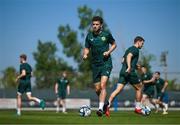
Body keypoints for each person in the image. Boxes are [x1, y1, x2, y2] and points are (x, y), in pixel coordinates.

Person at [83, 16, 117, 116]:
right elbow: (86, 48)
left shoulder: (106, 34)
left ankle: (100, 109)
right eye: (93, 24)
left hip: (106, 63)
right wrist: (85, 54)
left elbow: (114, 44)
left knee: (103, 86)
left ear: (101, 25)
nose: (95, 26)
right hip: (95, 65)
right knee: (97, 89)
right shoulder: (89, 36)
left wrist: (108, 51)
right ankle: (106, 104)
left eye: (97, 24)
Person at [105, 36, 145, 117]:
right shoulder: (135, 49)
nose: (142, 45)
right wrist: (130, 67)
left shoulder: (128, 49)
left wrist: (135, 65)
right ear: (138, 42)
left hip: (123, 71)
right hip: (129, 72)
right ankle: (137, 108)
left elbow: (122, 60)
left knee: (117, 90)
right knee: (139, 88)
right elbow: (129, 56)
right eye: (142, 43)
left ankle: (107, 106)